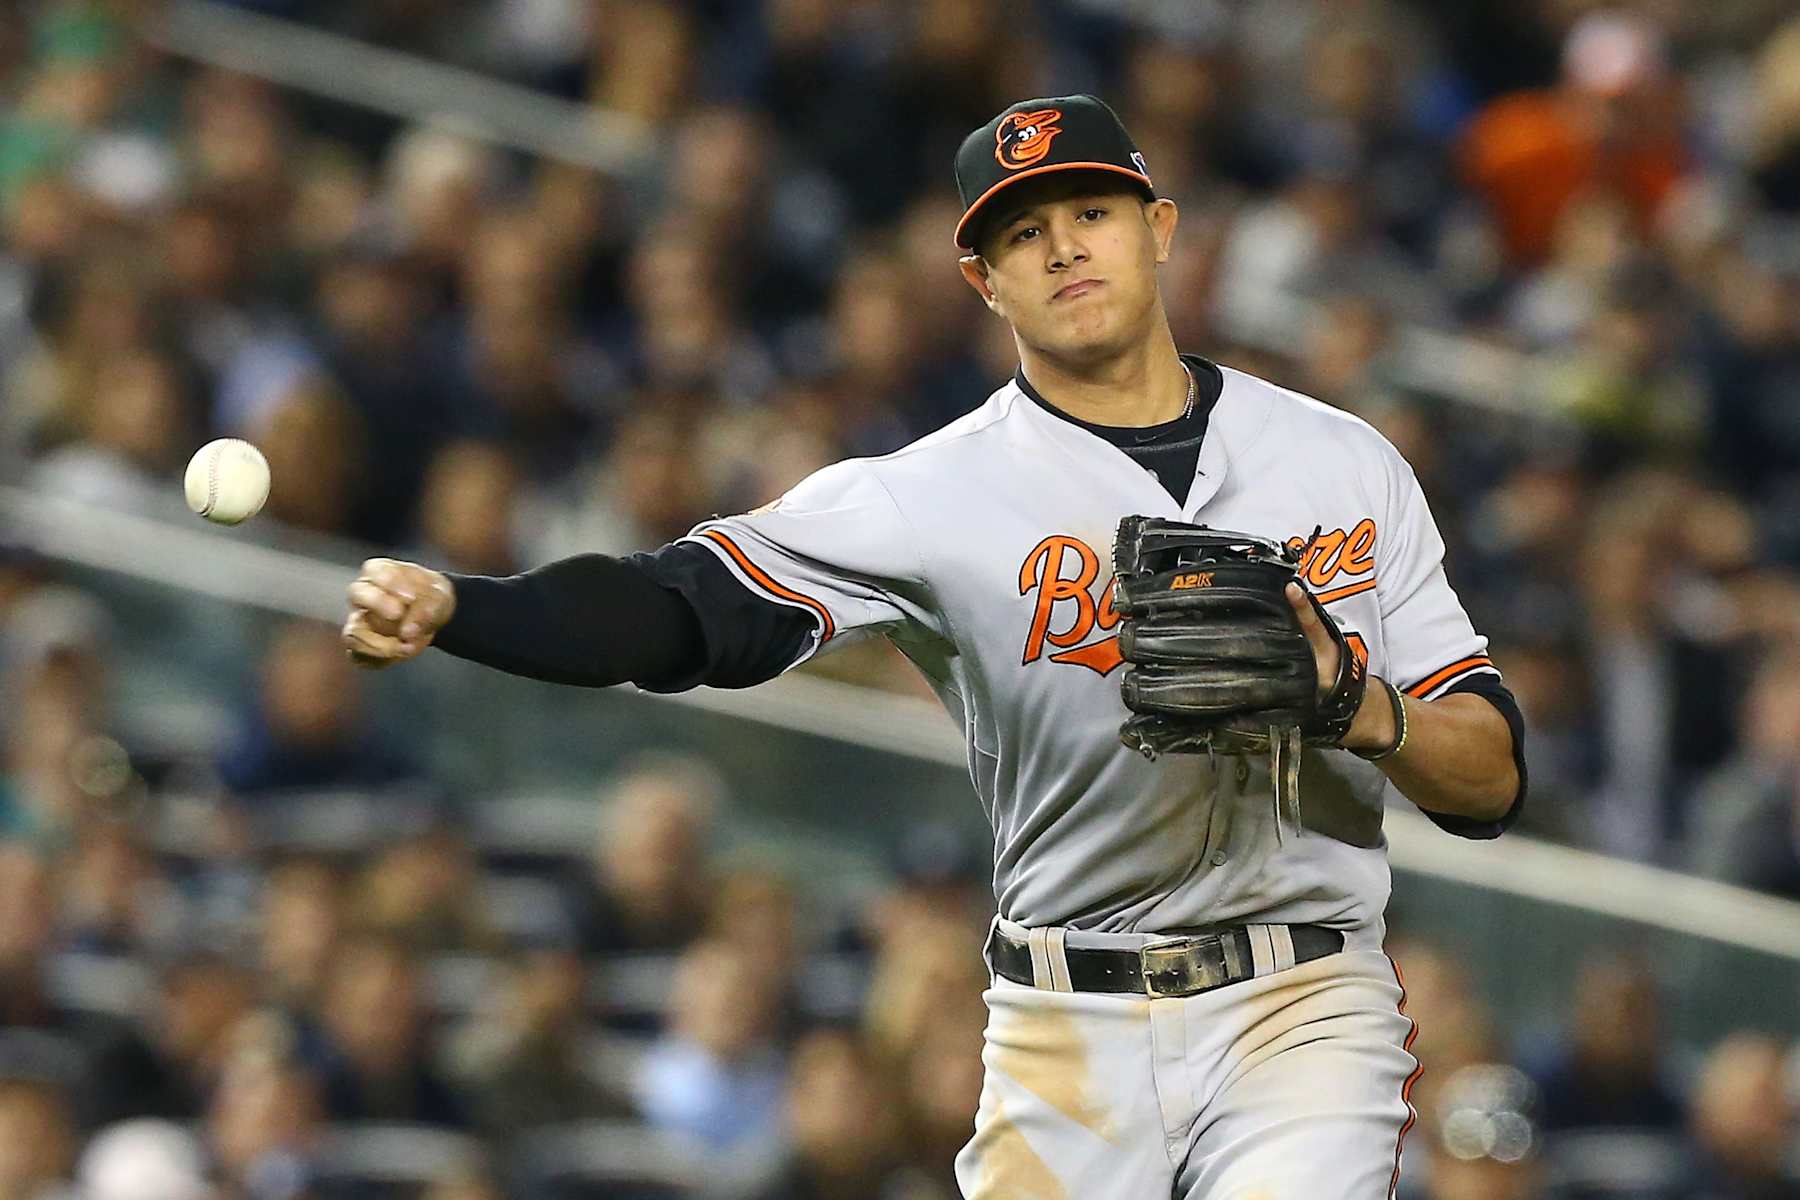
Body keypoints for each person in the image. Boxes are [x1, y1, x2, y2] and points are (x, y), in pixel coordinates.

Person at [342, 94, 1525, 1198]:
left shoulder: (1341, 461)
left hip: (1305, 1007)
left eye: (1093, 212)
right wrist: (466, 608)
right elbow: (679, 608)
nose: (1063, 249)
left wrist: (1357, 705)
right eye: (1023, 234)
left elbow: (1491, 780)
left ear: (1160, 229)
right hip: (1072, 1023)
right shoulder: (928, 496)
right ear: (981, 280)